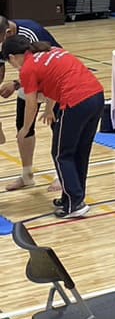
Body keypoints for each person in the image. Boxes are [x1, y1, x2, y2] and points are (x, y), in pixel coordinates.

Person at [0, 36, 104, 218]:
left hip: (75, 103)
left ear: (12, 57)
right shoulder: (51, 51)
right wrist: (49, 109)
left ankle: (74, 204)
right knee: (79, 152)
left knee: (61, 154)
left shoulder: (28, 68)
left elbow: (31, 104)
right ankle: (72, 198)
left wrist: (25, 129)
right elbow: (58, 79)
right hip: (97, 97)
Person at [0, 15, 61, 190]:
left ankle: (61, 175)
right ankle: (27, 175)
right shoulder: (3, 38)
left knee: (57, 126)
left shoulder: (32, 33)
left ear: (8, 33)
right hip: (29, 80)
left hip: (53, 80)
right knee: (22, 126)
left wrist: (15, 84)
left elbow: (43, 69)